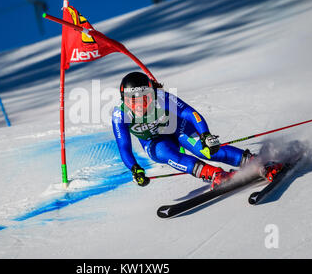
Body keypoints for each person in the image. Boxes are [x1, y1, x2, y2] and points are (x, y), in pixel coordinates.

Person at [112, 72, 281, 188]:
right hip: (154, 141)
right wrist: (135, 169)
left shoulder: (162, 98)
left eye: (145, 98)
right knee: (167, 154)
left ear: (153, 94)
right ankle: (215, 175)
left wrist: (205, 135)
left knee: (206, 150)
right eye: (132, 101)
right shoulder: (119, 115)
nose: (140, 105)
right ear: (123, 101)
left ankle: (258, 163)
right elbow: (124, 147)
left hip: (177, 128)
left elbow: (191, 114)